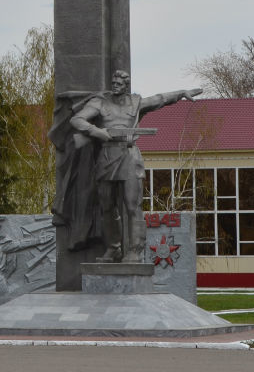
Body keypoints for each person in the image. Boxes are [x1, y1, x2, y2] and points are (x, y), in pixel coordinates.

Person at [50, 70, 200, 262]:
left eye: (119, 83)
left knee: (132, 205)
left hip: (129, 155)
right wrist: (97, 132)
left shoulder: (135, 102)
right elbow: (77, 119)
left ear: (126, 85)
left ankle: (135, 251)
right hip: (106, 156)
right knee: (106, 206)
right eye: (113, 82)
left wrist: (181, 93)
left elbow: (158, 99)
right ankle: (114, 248)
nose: (115, 85)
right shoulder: (100, 102)